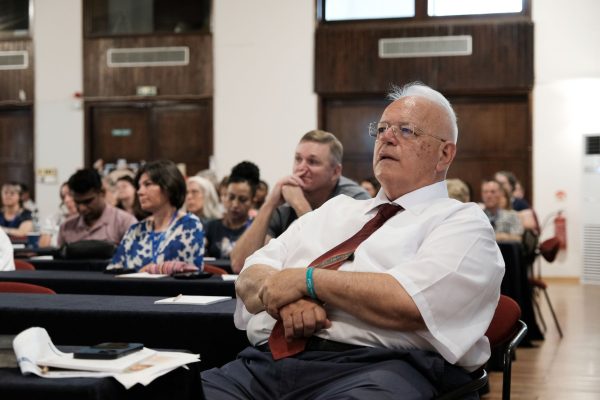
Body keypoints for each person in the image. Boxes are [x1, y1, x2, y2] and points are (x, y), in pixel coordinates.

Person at [202, 82, 505, 399]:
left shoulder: (461, 222)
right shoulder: (335, 210)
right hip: (267, 364)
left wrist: (306, 281)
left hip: (378, 369)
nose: (386, 137)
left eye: (405, 130)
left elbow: (410, 303)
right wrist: (290, 299)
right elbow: (251, 273)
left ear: (445, 153)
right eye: (383, 128)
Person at [230, 130, 370, 273]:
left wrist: (299, 205)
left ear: (335, 172)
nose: (301, 168)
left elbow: (333, 262)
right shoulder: (284, 198)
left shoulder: (355, 200)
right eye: (298, 159)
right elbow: (239, 264)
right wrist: (270, 204)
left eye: (312, 161)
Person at [106, 160, 204, 273]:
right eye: (139, 186)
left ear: (169, 186)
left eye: (147, 184)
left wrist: (145, 272)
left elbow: (188, 272)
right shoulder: (136, 230)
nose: (139, 192)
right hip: (133, 290)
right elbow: (113, 270)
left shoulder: (189, 225)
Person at [58, 169, 137, 246]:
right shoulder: (66, 228)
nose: (82, 208)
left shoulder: (125, 223)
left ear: (102, 193)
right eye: (77, 202)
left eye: (87, 201)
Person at [204, 162, 259, 259]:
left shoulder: (257, 229)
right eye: (231, 197)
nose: (235, 204)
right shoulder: (211, 227)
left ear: (253, 200)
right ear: (224, 196)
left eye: (242, 199)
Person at [39, 182, 78, 247]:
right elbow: (43, 246)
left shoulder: (88, 220)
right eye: (63, 197)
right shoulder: (55, 219)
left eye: (70, 195)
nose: (66, 200)